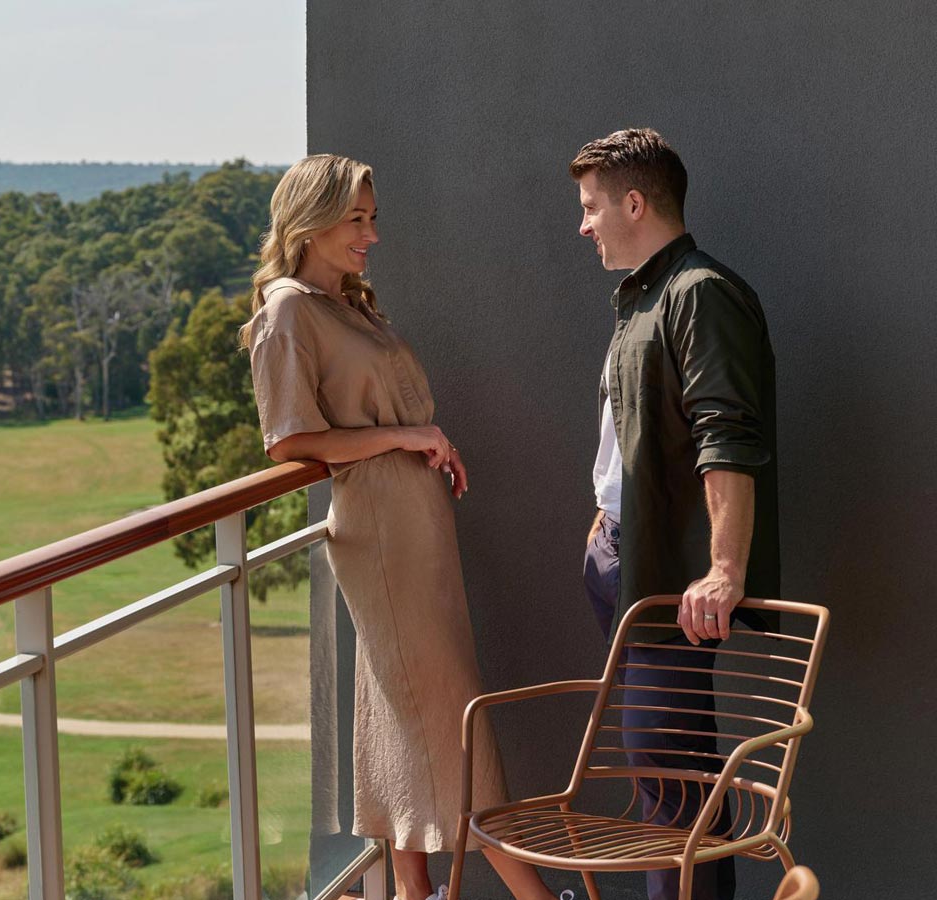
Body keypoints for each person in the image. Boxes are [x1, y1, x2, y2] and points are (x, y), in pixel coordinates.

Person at [244, 155, 561, 900]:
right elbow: (288, 441)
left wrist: (422, 441)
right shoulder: (288, 311)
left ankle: (415, 890)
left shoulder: (347, 303)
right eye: (356, 219)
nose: (372, 234)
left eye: (372, 217)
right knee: (449, 710)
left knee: (404, 705)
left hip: (416, 526)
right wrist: (405, 437)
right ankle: (536, 897)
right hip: (380, 531)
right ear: (310, 222)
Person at [572, 128, 779, 900]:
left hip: (667, 579)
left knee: (670, 783)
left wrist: (724, 569)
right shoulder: (643, 296)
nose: (584, 225)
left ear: (635, 203)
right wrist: (604, 520)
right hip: (623, 562)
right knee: (666, 777)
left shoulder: (699, 294)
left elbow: (727, 438)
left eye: (591, 207)